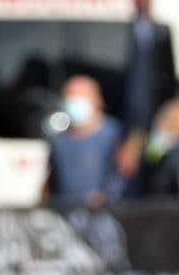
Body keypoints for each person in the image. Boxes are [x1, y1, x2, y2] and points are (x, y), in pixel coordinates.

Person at [46, 75, 130, 204]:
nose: (74, 101)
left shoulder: (112, 133)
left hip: (104, 213)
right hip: (65, 213)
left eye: (80, 96)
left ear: (96, 100)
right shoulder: (59, 140)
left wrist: (105, 196)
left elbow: (124, 172)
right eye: (70, 96)